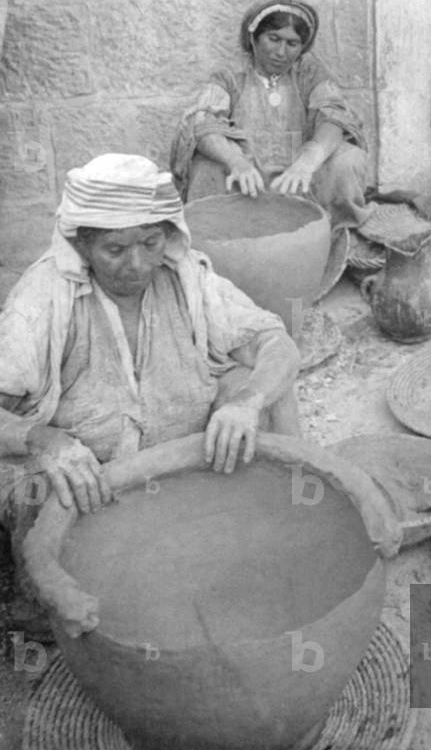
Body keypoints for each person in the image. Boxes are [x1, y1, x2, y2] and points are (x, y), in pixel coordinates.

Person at [0, 154, 302, 608]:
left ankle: (284, 530)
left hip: (180, 466)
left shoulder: (186, 278)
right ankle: (48, 606)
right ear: (83, 246)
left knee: (263, 390)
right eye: (115, 250)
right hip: (90, 481)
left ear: (168, 235)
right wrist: (45, 440)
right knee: (38, 501)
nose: (137, 264)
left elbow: (275, 342)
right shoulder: (45, 296)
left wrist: (246, 401)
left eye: (150, 242)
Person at [171, 0, 372, 229]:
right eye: (273, 38)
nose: (281, 51)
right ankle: (219, 239)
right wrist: (236, 161)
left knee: (349, 160)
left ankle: (335, 231)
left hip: (298, 180)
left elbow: (334, 117)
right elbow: (203, 124)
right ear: (254, 38)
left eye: (292, 43)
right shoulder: (230, 75)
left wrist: (307, 162)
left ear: (302, 47)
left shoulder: (309, 73)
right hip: (249, 181)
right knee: (206, 167)